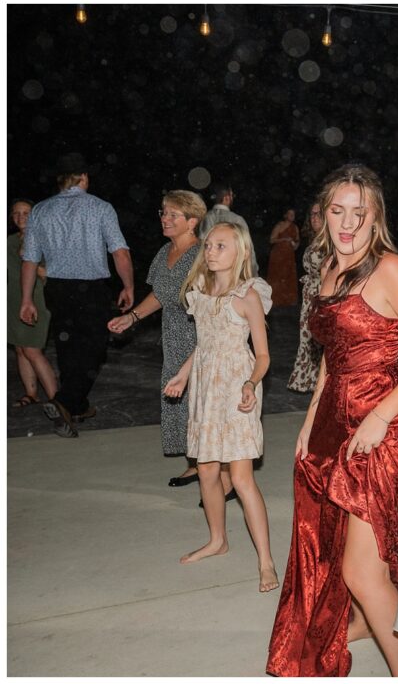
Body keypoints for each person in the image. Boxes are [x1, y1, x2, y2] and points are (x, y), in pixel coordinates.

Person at [267, 165, 398, 677]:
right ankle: (377, 624)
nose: (347, 224)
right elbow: (332, 357)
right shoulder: (327, 270)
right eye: (338, 211)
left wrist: (381, 417)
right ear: (323, 215)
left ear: (376, 219)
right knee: (336, 552)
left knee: (363, 573)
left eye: (359, 214)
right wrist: (307, 425)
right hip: (331, 427)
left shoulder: (388, 268)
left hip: (380, 430)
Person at [163, 222, 278, 593]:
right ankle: (218, 540)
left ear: (240, 252)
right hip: (205, 389)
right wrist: (183, 375)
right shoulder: (199, 292)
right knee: (208, 471)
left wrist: (250, 383)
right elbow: (205, 345)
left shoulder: (248, 296)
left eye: (220, 246)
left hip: (236, 388)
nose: (210, 252)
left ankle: (266, 560)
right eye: (209, 245)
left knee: (242, 478)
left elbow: (262, 356)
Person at [20, 153, 134, 437]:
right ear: (83, 177)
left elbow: (30, 260)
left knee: (68, 349)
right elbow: (119, 251)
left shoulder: (41, 211)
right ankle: (65, 401)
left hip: (57, 289)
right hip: (91, 288)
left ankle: (78, 405)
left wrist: (27, 299)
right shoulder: (100, 207)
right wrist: (128, 285)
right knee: (95, 349)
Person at [108, 191, 204, 486]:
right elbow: (160, 294)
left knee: (203, 401)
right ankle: (196, 463)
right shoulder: (165, 252)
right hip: (174, 333)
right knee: (182, 400)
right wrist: (132, 317)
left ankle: (220, 475)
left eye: (173, 214)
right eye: (163, 212)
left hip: (199, 333)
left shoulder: (203, 254)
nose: (165, 218)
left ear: (192, 221)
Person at [8, 199, 58, 408]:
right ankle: (31, 393)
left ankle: (58, 400)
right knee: (20, 349)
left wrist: (32, 259)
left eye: (26, 213)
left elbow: (52, 277)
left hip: (36, 301)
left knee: (32, 350)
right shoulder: (9, 241)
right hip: (12, 300)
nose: (21, 217)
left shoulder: (46, 240)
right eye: (16, 213)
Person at [287, 201, 325, 393]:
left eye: (319, 213)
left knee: (319, 339)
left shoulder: (331, 240)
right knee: (308, 338)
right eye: (312, 214)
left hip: (321, 295)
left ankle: (320, 383)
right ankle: (310, 380)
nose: (315, 217)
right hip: (310, 294)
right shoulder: (315, 240)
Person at [199, 182, 258, 272]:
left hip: (207, 270)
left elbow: (200, 245)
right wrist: (253, 271)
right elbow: (248, 249)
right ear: (227, 198)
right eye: (231, 195)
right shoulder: (237, 220)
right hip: (232, 272)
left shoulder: (205, 217)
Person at [267, 207, 300, 307]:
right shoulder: (280, 225)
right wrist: (284, 239)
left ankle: (288, 300)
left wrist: (295, 245)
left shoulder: (295, 227)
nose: (291, 216)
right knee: (277, 276)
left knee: (288, 276)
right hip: (278, 255)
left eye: (293, 214)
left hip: (289, 255)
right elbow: (271, 240)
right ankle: (275, 300)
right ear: (285, 215)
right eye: (289, 214)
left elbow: (297, 241)